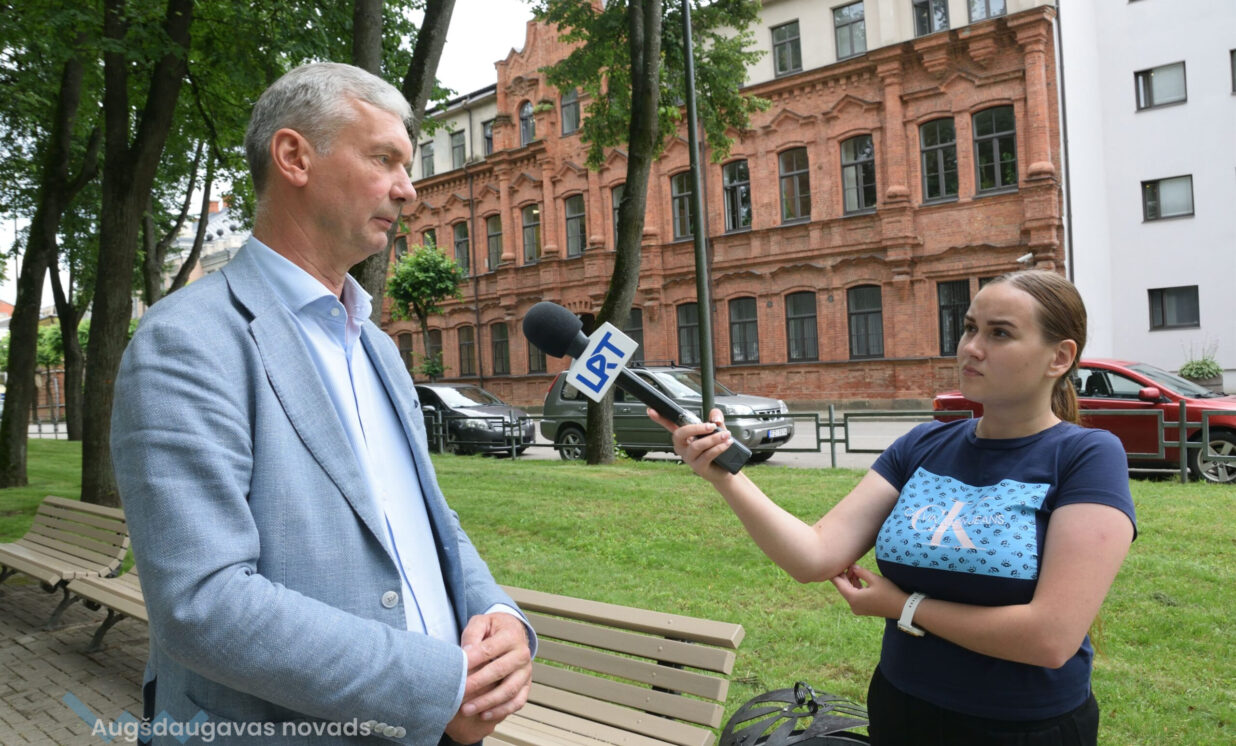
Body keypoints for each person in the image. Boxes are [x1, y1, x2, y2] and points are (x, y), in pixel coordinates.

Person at [112, 62, 533, 745]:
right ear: (294, 157)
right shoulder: (187, 341)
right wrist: (437, 687)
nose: (408, 188)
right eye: (384, 159)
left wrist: (499, 614)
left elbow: (423, 519)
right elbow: (203, 602)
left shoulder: (377, 347)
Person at [651, 270, 1136, 746]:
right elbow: (814, 555)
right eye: (970, 327)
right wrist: (725, 475)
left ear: (1059, 357)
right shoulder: (922, 444)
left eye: (1000, 333)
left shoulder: (1086, 455)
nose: (971, 347)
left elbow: (1050, 639)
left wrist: (906, 607)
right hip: (902, 708)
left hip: (1023, 728)